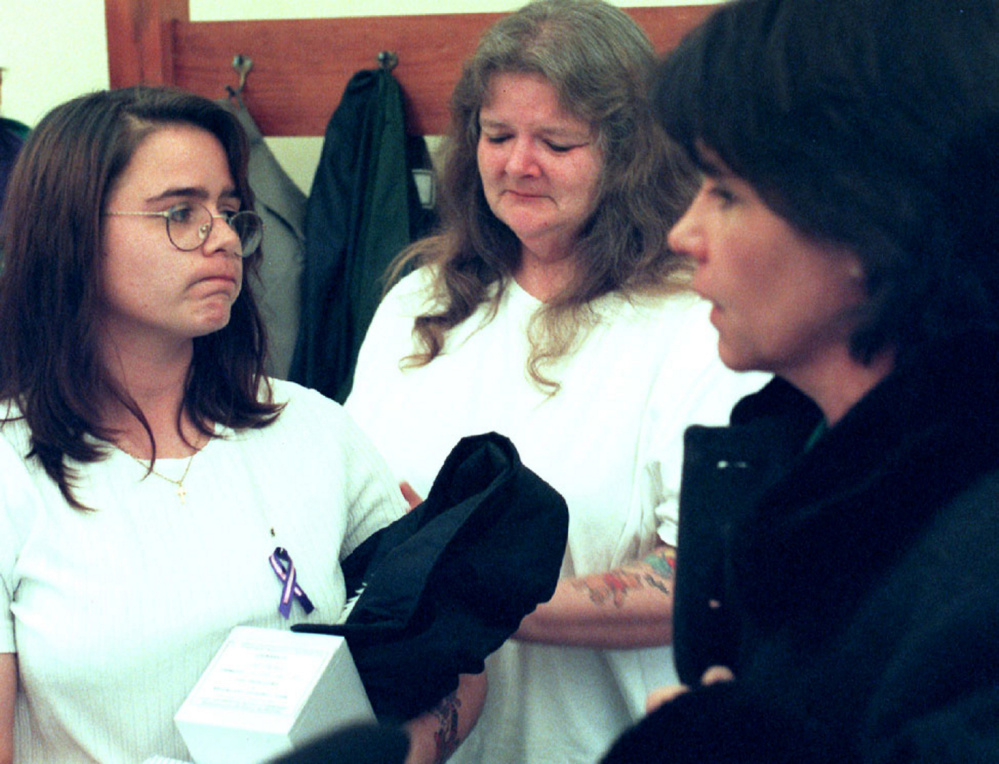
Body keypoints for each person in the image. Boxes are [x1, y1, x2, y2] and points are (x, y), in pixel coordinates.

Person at [0, 86, 485, 764]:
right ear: (71, 231)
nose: (223, 237)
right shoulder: (10, 475)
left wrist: (398, 753)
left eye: (230, 212)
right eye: (181, 212)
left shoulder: (314, 431)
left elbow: (452, 663)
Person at [343, 1, 767, 761]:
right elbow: (354, 512)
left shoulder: (695, 324)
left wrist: (472, 592)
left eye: (557, 142)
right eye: (497, 135)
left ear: (631, 151)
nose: (517, 164)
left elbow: (710, 578)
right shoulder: (419, 301)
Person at [599, 0, 999, 761]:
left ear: (867, 220)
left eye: (723, 192)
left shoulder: (974, 568)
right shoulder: (798, 455)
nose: (683, 234)